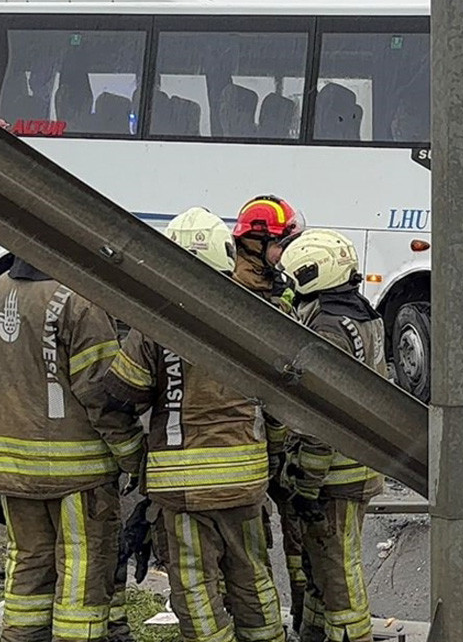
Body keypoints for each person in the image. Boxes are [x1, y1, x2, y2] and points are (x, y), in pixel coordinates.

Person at [104, 207, 285, 642]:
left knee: (195, 588)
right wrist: (272, 455)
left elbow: (121, 396)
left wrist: (136, 463)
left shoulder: (156, 323)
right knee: (253, 577)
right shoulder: (258, 316)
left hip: (182, 488)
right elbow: (283, 410)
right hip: (245, 482)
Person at [0, 254, 140, 642]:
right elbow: (102, 395)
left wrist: (9, 429)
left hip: (10, 468)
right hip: (78, 473)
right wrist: (133, 455)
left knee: (28, 567)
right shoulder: (80, 300)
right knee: (82, 570)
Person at [277, 229, 386, 642]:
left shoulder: (325, 328)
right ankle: (318, 632)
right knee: (326, 564)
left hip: (333, 474)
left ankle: (351, 635)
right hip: (358, 466)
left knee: (339, 569)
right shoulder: (363, 313)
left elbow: (322, 419)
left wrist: (305, 483)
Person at [232, 194, 306, 630]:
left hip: (278, 448)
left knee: (298, 548)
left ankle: (298, 622)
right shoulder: (239, 303)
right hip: (252, 450)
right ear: (256, 245)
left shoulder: (279, 297)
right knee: (251, 556)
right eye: (281, 243)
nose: (285, 254)